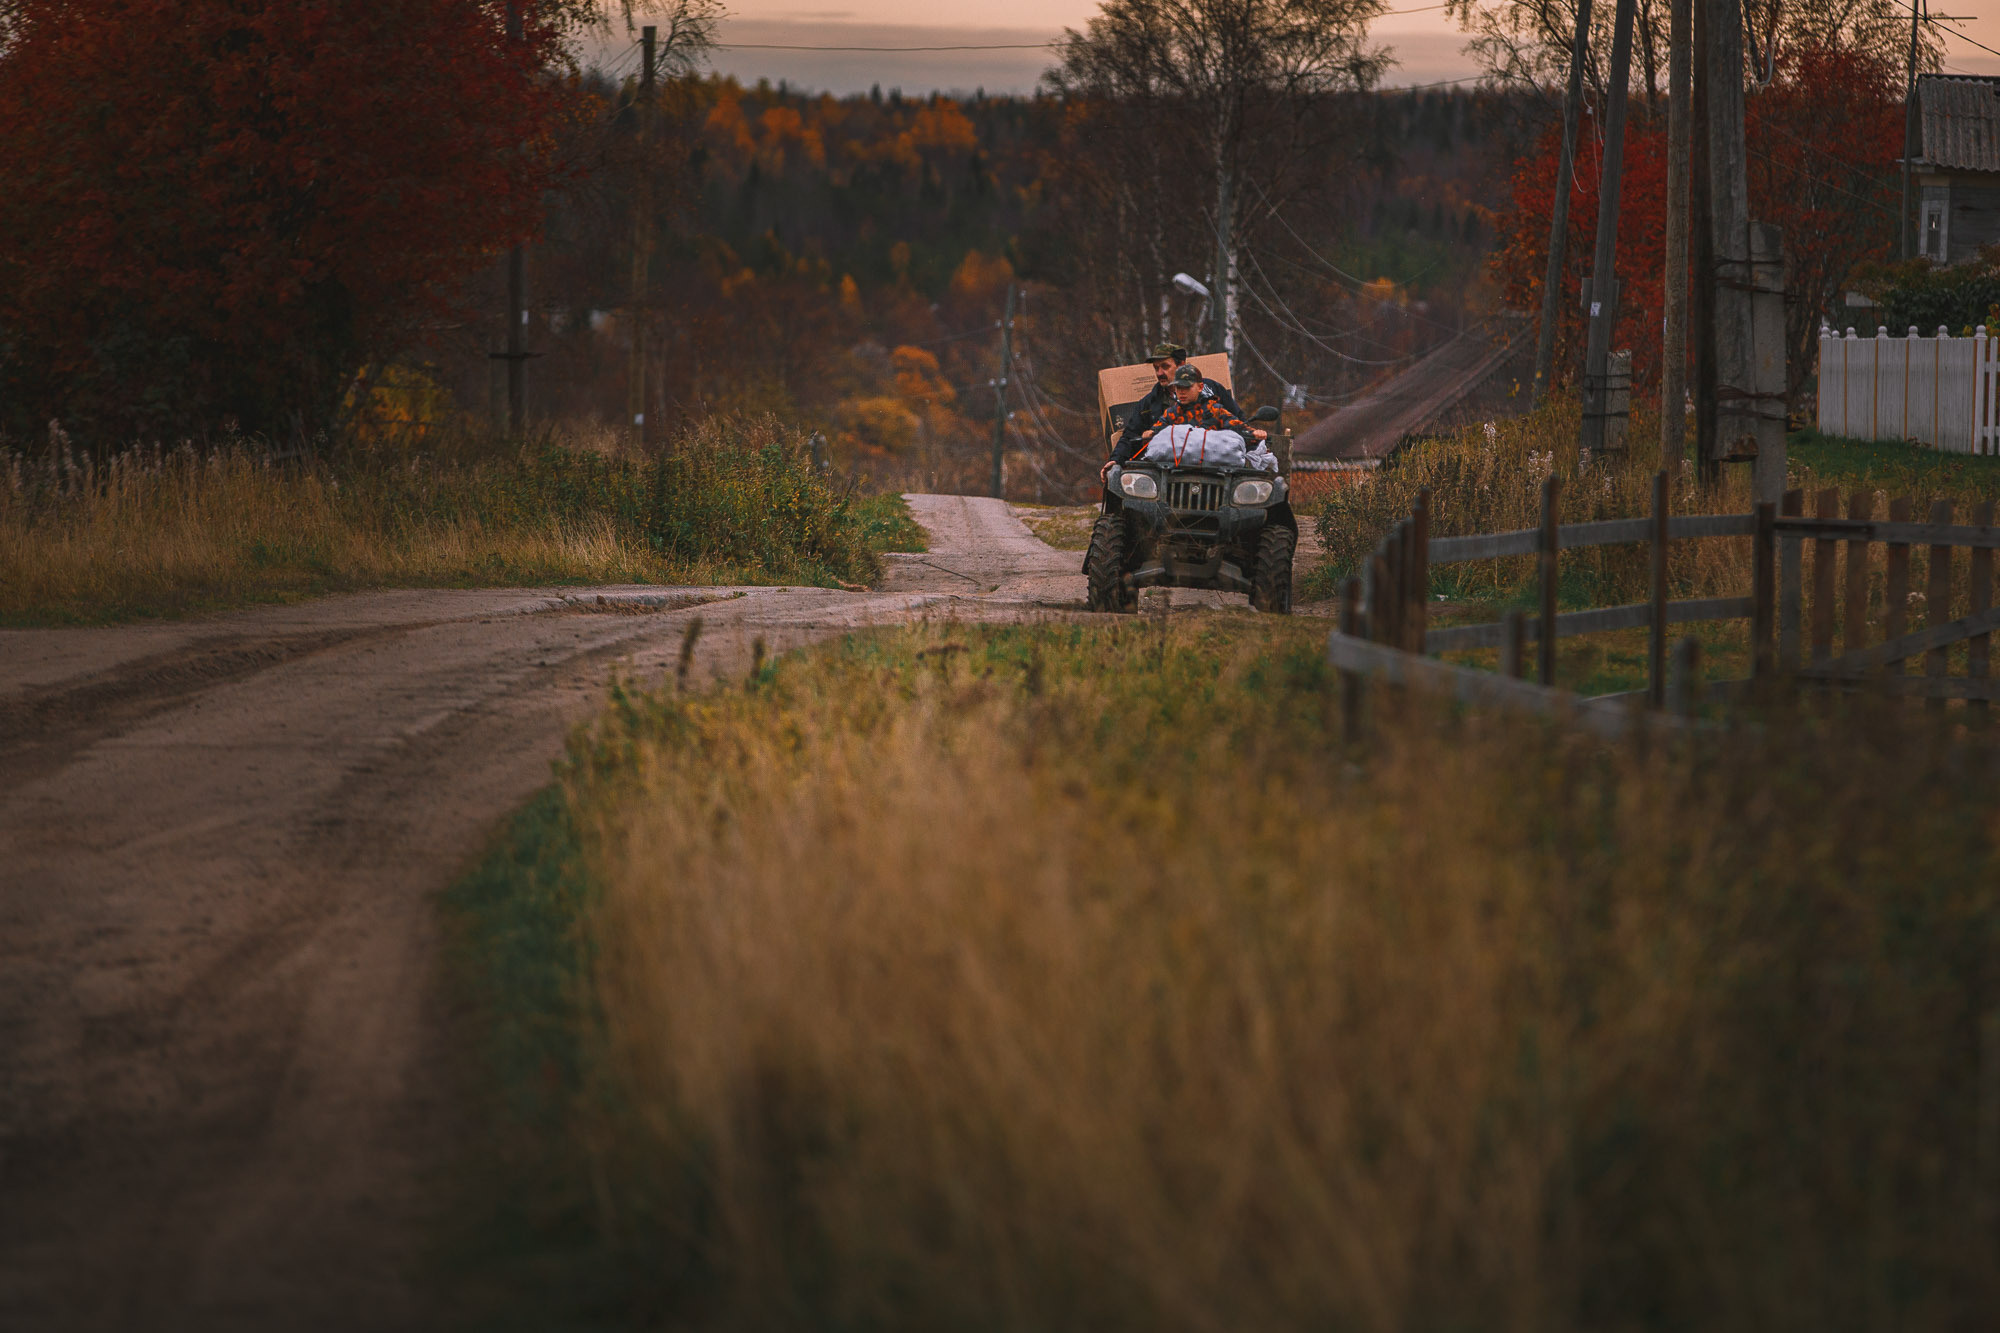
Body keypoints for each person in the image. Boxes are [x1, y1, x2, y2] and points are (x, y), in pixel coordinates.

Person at [1105, 341, 1240, 477]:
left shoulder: (1212, 390)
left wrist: (1253, 446)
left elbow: (1238, 422)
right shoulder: (1148, 404)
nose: (1159, 373)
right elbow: (1130, 436)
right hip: (1165, 474)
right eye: (1156, 368)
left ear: (1181, 364)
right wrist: (1115, 460)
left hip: (1215, 470)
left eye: (1165, 367)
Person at [1140, 363, 1267, 451]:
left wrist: (1254, 433)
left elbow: (1237, 427)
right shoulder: (1171, 413)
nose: (1182, 392)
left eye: (1187, 387)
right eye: (1178, 388)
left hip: (1212, 471)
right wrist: (1149, 434)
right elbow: (1156, 430)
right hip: (1176, 469)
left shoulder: (1215, 410)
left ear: (1200, 387)